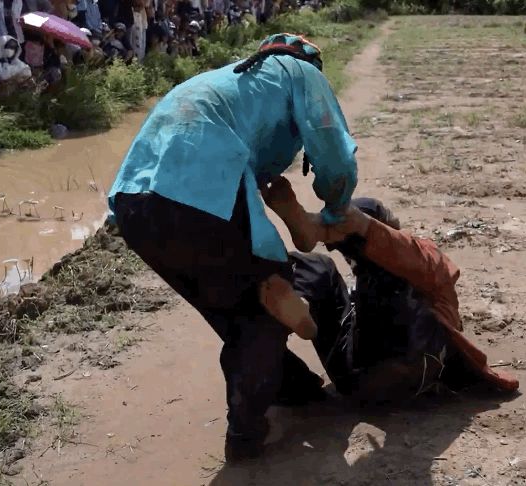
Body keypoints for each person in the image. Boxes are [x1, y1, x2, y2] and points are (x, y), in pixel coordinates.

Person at [109, 33, 358, 462]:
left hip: (135, 206)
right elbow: (333, 150)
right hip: (199, 196)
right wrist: (337, 211)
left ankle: (289, 386)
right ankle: (245, 436)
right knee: (267, 301)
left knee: (228, 300)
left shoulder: (229, 81)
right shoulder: (298, 70)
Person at [263, 180, 521, 404]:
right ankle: (344, 230)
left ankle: (300, 290)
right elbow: (432, 265)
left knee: (316, 271)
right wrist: (367, 227)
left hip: (355, 377)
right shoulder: (419, 271)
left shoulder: (393, 281)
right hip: (403, 372)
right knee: (391, 279)